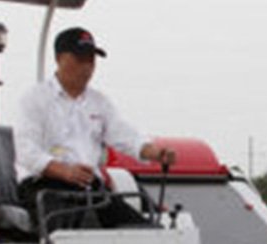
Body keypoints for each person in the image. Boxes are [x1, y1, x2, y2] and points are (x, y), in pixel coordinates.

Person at [14, 27, 176, 231]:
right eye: (80, 59)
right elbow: (25, 149)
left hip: (89, 188)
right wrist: (63, 170)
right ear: (59, 58)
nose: (87, 66)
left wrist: (154, 152)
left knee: (145, 233)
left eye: (91, 60)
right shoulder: (34, 99)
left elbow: (124, 134)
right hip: (45, 187)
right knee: (68, 237)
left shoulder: (99, 102)